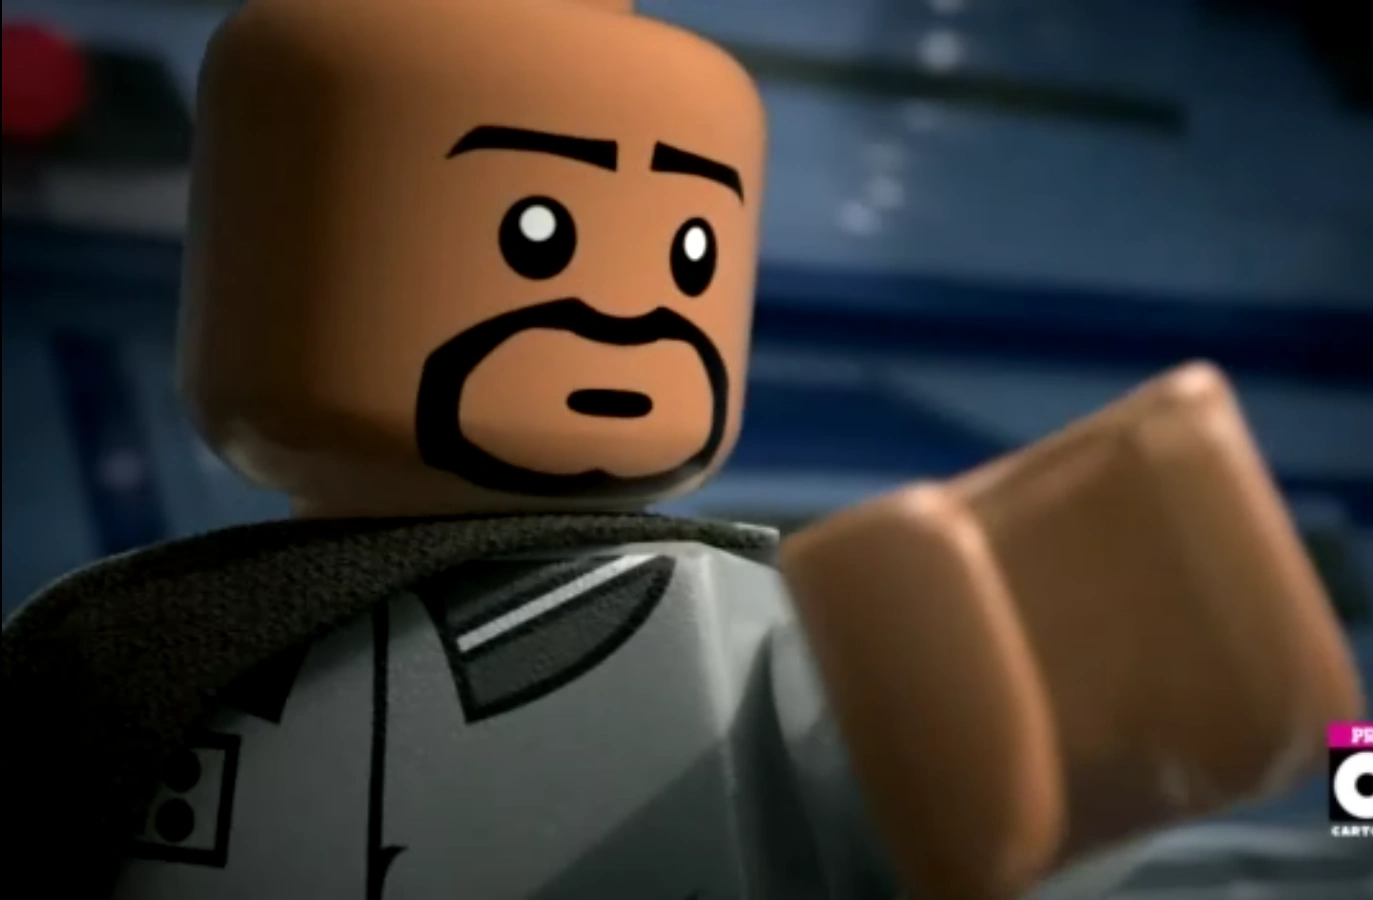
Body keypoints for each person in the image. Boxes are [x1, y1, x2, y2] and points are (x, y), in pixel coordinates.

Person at [1, 1, 1362, 898]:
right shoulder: (134, 646)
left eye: (690, 251)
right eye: (539, 235)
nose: (629, 308)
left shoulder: (129, 645)